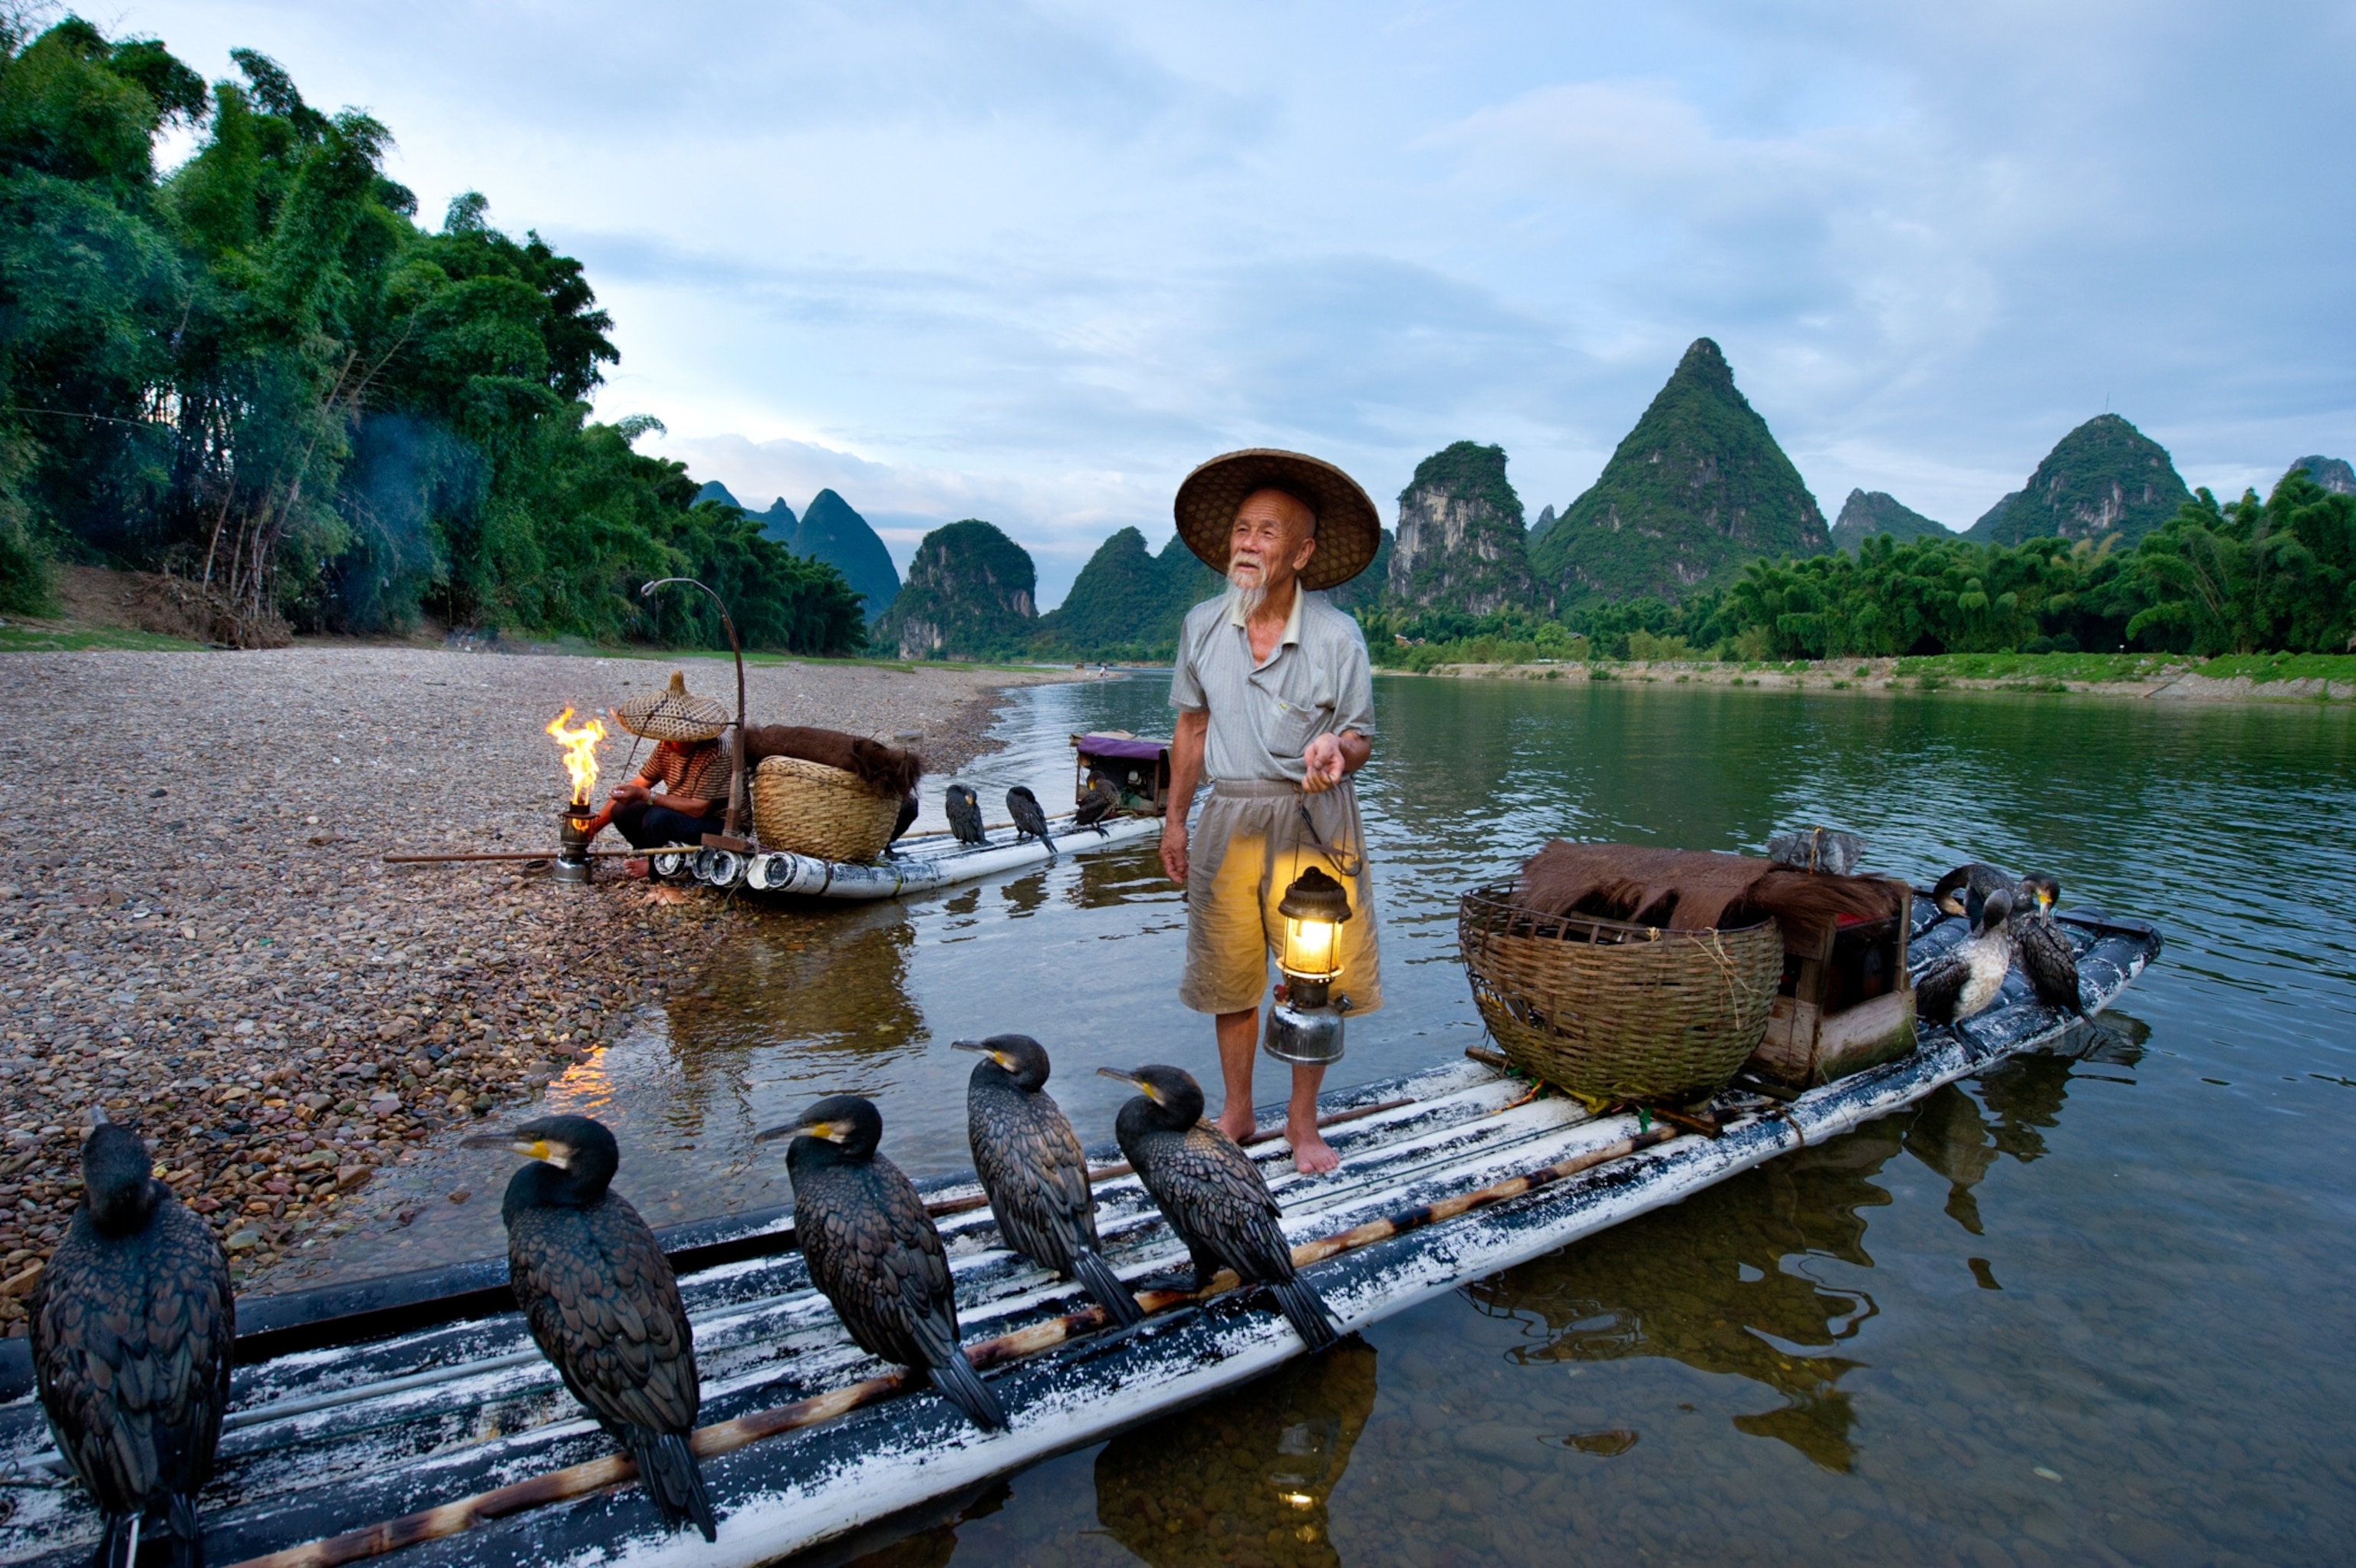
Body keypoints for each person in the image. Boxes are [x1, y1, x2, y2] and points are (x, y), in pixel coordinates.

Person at [1160, 449, 1384, 1175]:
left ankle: (1302, 1121)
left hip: (1312, 819)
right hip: (1228, 815)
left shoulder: (1337, 636)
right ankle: (1238, 1110)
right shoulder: (1202, 625)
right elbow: (1191, 728)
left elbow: (1360, 735)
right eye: (1241, 529)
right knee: (1228, 971)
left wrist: (1337, 749)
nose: (1248, 544)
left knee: (1315, 975)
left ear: (1302, 553)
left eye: (1267, 532)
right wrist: (1174, 820)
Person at [591, 670, 736, 863]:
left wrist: (647, 796)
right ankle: (646, 854)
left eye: (673, 739)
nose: (665, 744)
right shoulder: (666, 746)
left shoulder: (718, 752)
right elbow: (639, 783)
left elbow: (699, 809)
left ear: (692, 736)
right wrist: (594, 826)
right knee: (622, 810)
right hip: (683, 813)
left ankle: (657, 865)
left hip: (718, 824)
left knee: (657, 818)